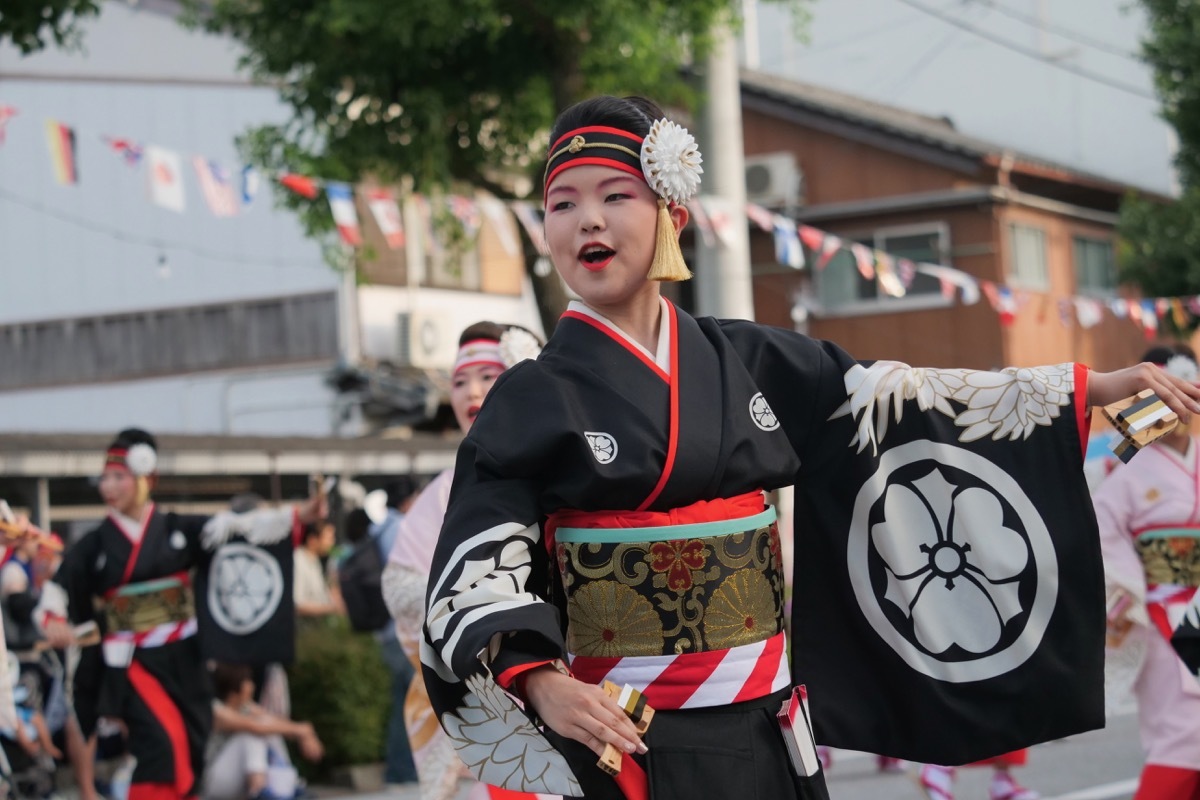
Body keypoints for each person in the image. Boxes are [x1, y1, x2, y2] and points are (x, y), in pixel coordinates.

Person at [417, 95, 1200, 800]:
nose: (587, 220)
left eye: (616, 196)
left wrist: (1075, 391)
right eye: (562, 204)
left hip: (765, 720)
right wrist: (542, 681)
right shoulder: (530, 396)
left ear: (671, 218)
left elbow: (897, 398)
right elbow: (480, 551)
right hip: (623, 734)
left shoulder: (747, 362)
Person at [42, 428, 326, 800]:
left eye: (119, 477)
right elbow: (57, 588)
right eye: (105, 478)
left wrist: (299, 514)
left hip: (184, 656)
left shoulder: (178, 529)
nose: (108, 487)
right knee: (161, 743)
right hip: (131, 662)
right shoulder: (94, 545)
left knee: (190, 750)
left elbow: (236, 527)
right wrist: (55, 620)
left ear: (148, 478)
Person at [381, 320, 545, 800]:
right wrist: (466, 603)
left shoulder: (566, 470)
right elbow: (399, 586)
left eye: (488, 376)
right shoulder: (441, 493)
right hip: (478, 708)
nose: (471, 391)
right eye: (459, 381)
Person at [1094, 344, 1200, 800]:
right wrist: (1125, 599)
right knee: (1180, 735)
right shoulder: (1125, 474)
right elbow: (1101, 538)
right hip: (1160, 614)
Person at [365, 480, 420, 788]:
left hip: (382, 628)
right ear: (408, 501)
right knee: (408, 702)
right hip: (402, 629)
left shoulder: (379, 528)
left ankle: (399, 767)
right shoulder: (403, 529)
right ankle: (403, 769)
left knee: (401, 700)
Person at [203, 661, 323, 800]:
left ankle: (289, 786)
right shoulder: (216, 710)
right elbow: (257, 727)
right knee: (251, 734)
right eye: (248, 681)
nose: (252, 686)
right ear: (236, 685)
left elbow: (277, 724)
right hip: (212, 781)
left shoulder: (245, 707)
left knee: (269, 729)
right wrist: (304, 729)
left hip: (236, 779)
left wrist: (306, 733)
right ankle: (259, 791)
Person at [293, 521, 343, 622]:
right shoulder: (298, 561)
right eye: (329, 538)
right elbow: (298, 604)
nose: (332, 542)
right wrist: (333, 608)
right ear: (312, 540)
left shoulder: (314, 560)